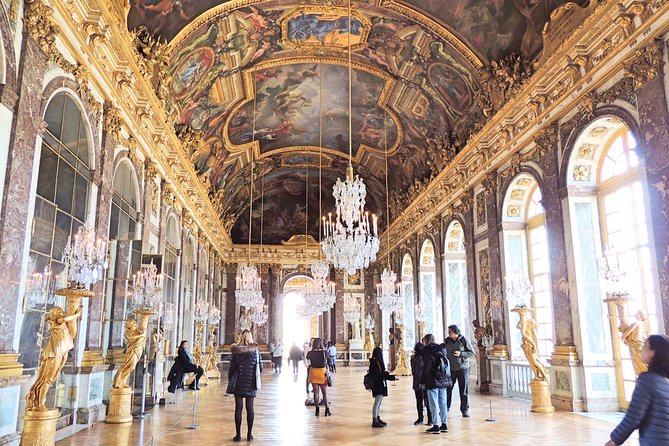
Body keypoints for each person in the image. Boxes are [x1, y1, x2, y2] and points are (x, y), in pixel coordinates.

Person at [606, 334, 669, 446]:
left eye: (645, 346)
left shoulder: (648, 380)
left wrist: (614, 441)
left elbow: (633, 418)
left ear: (654, 353)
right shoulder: (664, 380)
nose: (641, 349)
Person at [228, 330, 262, 442]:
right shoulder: (255, 352)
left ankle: (238, 435)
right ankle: (249, 434)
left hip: (238, 382)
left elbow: (231, 369)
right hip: (251, 382)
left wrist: (230, 381)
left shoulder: (236, 351)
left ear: (240, 337)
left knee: (238, 408)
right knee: (250, 407)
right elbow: (260, 368)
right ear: (250, 337)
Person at [420, 334, 451, 434]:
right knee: (443, 403)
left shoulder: (428, 352)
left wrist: (422, 380)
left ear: (426, 341)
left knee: (433, 404)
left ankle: (436, 426)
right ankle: (444, 424)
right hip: (443, 379)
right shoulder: (441, 350)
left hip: (432, 380)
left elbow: (426, 368)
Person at [444, 324, 475, 417]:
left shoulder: (463, 340)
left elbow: (471, 353)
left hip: (462, 368)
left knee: (463, 390)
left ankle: (465, 410)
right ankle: (445, 407)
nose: (449, 333)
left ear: (455, 332)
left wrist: (461, 354)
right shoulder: (447, 341)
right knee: (448, 389)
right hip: (451, 369)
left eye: (450, 331)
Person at [369, 346, 396, 428]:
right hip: (377, 385)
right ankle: (374, 420)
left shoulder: (378, 362)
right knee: (377, 403)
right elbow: (378, 375)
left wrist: (392, 377)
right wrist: (387, 375)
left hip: (380, 384)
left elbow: (382, 374)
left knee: (379, 403)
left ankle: (377, 417)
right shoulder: (374, 363)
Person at [307, 338, 331, 416]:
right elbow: (328, 360)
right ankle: (327, 410)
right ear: (320, 344)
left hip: (313, 372)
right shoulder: (324, 352)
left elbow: (307, 358)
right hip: (322, 372)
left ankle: (317, 410)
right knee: (325, 393)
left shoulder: (310, 353)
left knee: (316, 392)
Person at [410, 342, 432, 425]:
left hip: (423, 383)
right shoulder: (416, 358)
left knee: (425, 401)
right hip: (420, 383)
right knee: (422, 401)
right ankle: (423, 418)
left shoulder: (423, 358)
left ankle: (427, 419)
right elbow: (413, 371)